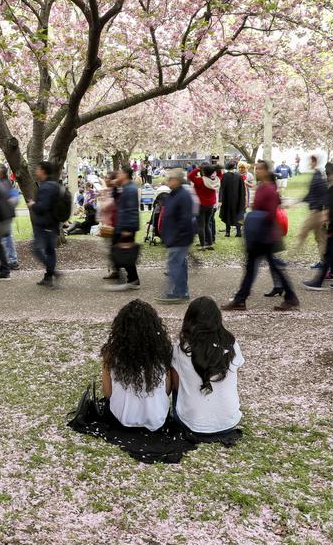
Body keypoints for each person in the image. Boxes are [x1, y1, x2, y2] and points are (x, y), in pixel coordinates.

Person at [222, 161, 299, 312]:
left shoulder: (269, 189)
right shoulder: (264, 187)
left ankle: (242, 299)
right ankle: (242, 299)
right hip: (262, 235)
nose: (256, 171)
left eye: (259, 169)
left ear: (266, 171)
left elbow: (270, 214)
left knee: (264, 268)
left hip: (264, 236)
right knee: (259, 268)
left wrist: (255, 225)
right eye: (256, 169)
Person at [171, 297, 244, 434]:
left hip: (189, 423)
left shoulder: (180, 348)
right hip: (229, 421)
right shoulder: (232, 344)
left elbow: (176, 385)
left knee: (178, 379)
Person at [100, 299, 173, 431]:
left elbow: (108, 393)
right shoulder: (163, 352)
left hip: (120, 419)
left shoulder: (111, 354)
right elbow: (167, 390)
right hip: (158, 419)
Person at [156, 169, 195, 304]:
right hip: (174, 237)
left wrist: (176, 237)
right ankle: (182, 291)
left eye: (171, 179)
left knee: (175, 265)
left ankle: (178, 292)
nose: (168, 181)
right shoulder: (174, 194)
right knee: (179, 265)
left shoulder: (183, 195)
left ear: (178, 180)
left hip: (178, 238)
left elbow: (185, 219)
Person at [105, 165, 140, 291]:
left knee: (125, 253)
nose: (117, 176)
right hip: (123, 225)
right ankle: (132, 279)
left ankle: (133, 280)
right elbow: (117, 200)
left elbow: (130, 210)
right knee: (119, 251)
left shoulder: (130, 189)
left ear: (125, 175)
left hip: (127, 227)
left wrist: (127, 229)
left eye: (119, 174)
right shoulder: (125, 188)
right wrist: (114, 186)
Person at [29, 161, 60, 288]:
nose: (36, 172)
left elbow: (43, 207)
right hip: (52, 223)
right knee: (49, 250)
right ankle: (48, 277)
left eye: (38, 169)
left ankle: (53, 272)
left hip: (45, 224)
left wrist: (33, 205)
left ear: (43, 171)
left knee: (36, 249)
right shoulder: (53, 185)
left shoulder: (46, 187)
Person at [297, 155, 329, 270]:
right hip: (318, 211)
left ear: (315, 162)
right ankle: (324, 262)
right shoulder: (317, 176)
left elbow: (324, 195)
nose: (310, 163)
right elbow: (311, 194)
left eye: (311, 161)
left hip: (316, 213)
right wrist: (298, 201)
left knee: (303, 233)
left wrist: (322, 211)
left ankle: (293, 253)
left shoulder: (318, 178)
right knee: (320, 238)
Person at [188, 163, 218, 250]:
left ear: (203, 171)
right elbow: (220, 174)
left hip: (201, 205)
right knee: (207, 224)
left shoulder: (200, 180)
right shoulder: (215, 181)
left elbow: (190, 176)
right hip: (210, 205)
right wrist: (215, 168)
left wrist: (198, 168)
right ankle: (210, 244)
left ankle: (202, 245)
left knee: (201, 225)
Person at [218, 161, 245, 238]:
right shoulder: (239, 176)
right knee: (238, 214)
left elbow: (222, 189)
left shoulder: (225, 176)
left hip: (227, 199)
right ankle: (238, 232)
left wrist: (220, 199)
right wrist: (243, 200)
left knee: (227, 214)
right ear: (234, 167)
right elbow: (242, 189)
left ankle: (227, 232)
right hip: (238, 199)